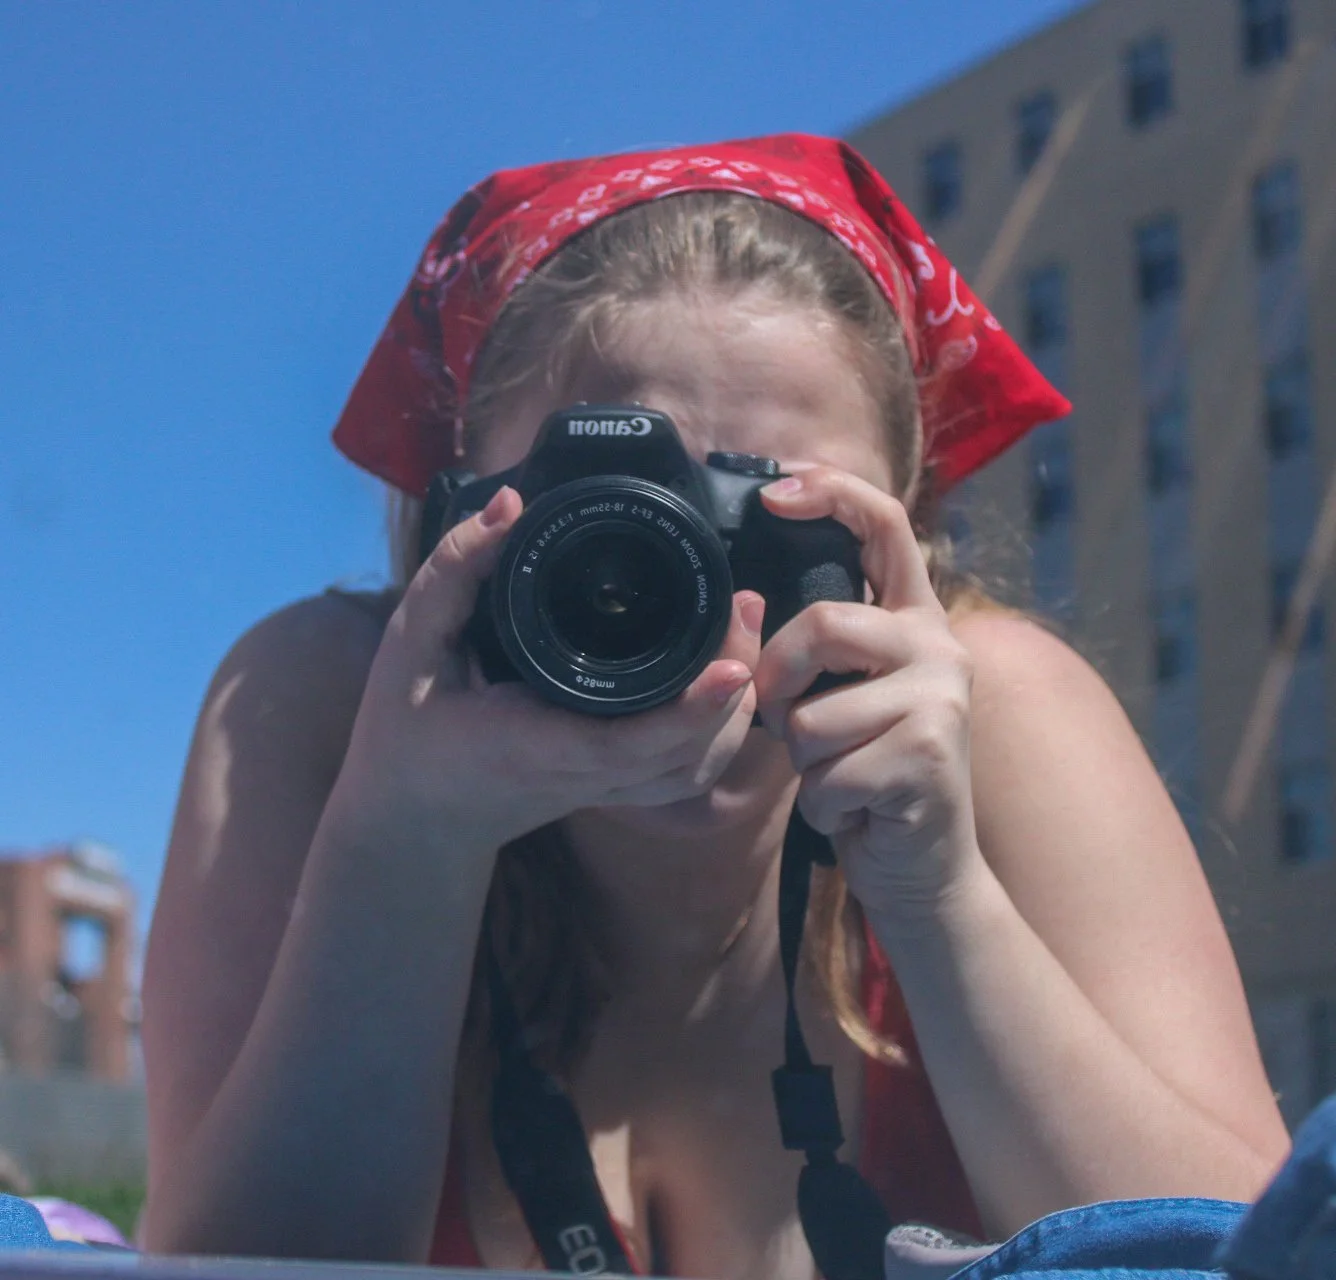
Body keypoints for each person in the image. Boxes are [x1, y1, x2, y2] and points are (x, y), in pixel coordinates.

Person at [138, 134, 1291, 1274]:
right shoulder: (330, 711)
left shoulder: (996, 711)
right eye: (600, 524)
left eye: (768, 526)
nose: (701, 625)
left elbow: (1245, 1261)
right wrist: (404, 841)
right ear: (460, 515)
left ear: (909, 539)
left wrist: (939, 895)